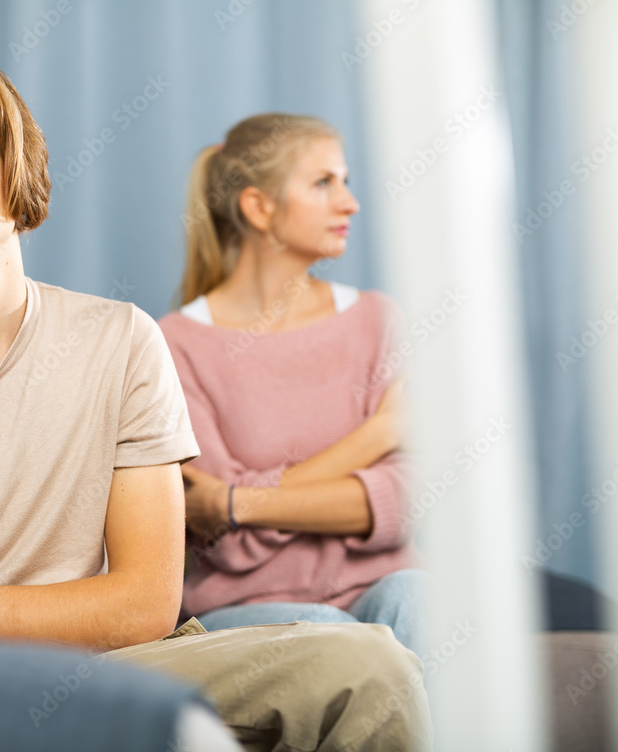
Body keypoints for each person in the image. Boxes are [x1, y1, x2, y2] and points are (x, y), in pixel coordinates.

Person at [0, 38, 432, 751]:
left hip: (112, 673)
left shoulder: (124, 340)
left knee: (371, 666)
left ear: (15, 167)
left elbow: (145, 603)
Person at [158, 114, 427, 655]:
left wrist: (237, 501)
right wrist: (377, 436)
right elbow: (221, 539)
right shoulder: (175, 343)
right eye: (323, 183)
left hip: (379, 585)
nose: (350, 203)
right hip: (247, 605)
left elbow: (402, 502)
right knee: (337, 641)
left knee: (421, 601)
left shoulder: (377, 320)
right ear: (259, 207)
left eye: (345, 181)